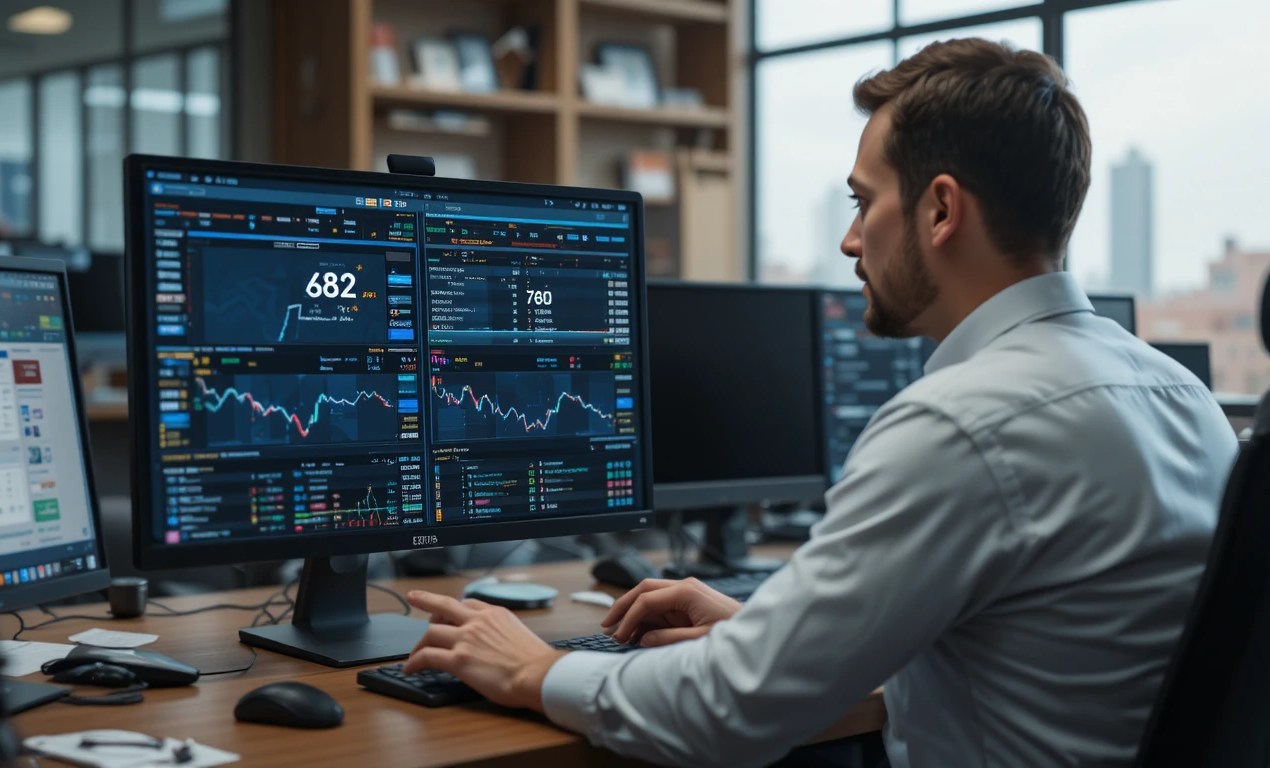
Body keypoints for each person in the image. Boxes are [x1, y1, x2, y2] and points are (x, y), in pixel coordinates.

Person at [401, 38, 1240, 767]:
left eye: (863, 201)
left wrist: (536, 669)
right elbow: (1049, 655)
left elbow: (727, 717)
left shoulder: (960, 424)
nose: (850, 239)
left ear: (941, 208)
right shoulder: (1183, 398)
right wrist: (774, 632)